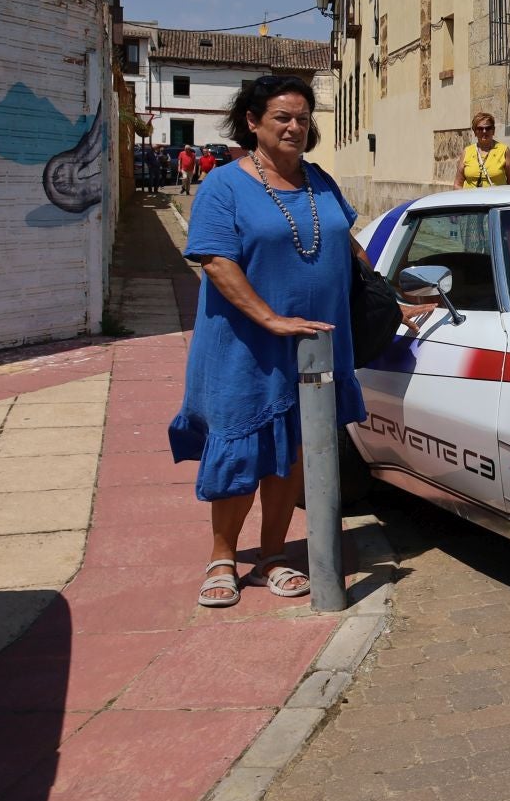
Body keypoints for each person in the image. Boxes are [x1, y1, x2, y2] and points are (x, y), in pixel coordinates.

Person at [171, 76, 433, 608]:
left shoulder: (320, 181)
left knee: (294, 452)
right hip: (247, 345)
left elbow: (350, 246)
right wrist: (270, 318)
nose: (295, 127)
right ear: (252, 122)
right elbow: (216, 261)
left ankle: (271, 556)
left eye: (303, 118)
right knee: (243, 452)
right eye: (282, 118)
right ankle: (223, 556)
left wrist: (391, 302)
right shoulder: (224, 186)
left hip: (316, 344)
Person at [456, 112, 510, 188]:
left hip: (495, 199)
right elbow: (458, 184)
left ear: (493, 130)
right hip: (470, 199)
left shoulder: (504, 150)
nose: (484, 131)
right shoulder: (467, 151)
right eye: (480, 129)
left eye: (488, 128)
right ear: (475, 131)